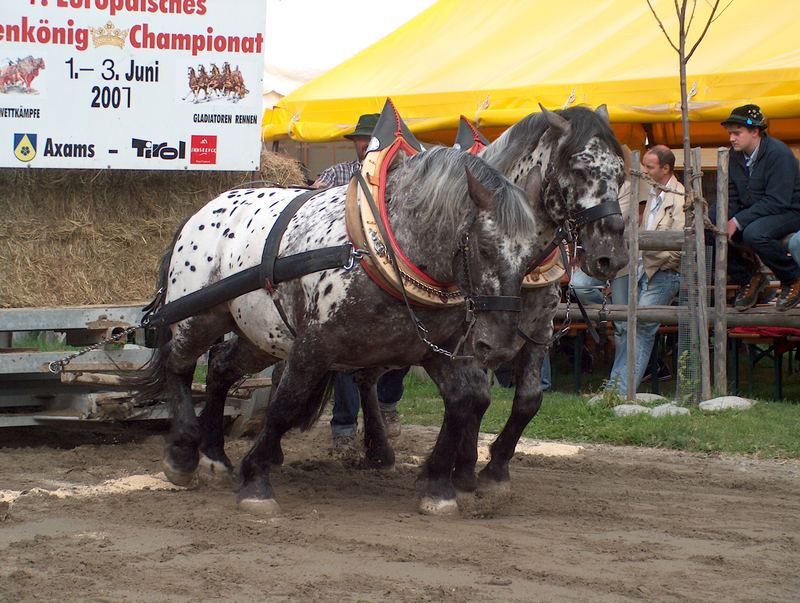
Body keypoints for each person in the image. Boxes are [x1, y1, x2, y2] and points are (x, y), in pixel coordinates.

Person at [310, 113, 407, 448]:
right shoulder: (337, 174)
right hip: (345, 272)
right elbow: (311, 207)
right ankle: (344, 428)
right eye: (361, 140)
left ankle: (387, 405)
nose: (365, 145)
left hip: (391, 273)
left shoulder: (401, 177)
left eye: (370, 140)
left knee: (407, 345)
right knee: (347, 354)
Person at [601, 145, 685, 395]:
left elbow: (678, 246)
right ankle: (615, 388)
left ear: (665, 168)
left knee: (642, 329)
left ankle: (618, 391)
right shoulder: (655, 195)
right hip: (645, 271)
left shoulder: (680, 198)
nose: (644, 171)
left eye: (649, 167)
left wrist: (648, 254)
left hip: (664, 273)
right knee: (633, 327)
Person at [720, 104, 800, 312]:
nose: (731, 138)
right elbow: (733, 195)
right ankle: (750, 277)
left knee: (755, 234)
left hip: (790, 211)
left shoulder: (779, 153)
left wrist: (737, 221)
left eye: (737, 133)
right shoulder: (734, 155)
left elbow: (778, 200)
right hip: (759, 211)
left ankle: (793, 278)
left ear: (755, 131)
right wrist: (717, 219)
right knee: (712, 228)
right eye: (730, 133)